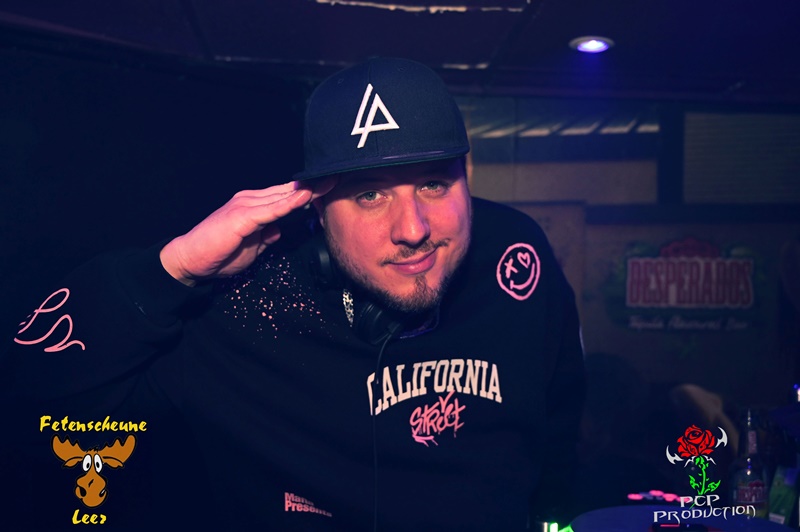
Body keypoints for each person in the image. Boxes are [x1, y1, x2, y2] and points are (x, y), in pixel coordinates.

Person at [1, 57, 585, 531]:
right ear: (316, 210)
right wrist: (172, 269)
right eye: (370, 194)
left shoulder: (516, 255)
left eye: (434, 182)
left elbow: (559, 428)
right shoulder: (250, 305)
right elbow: (30, 390)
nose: (413, 229)